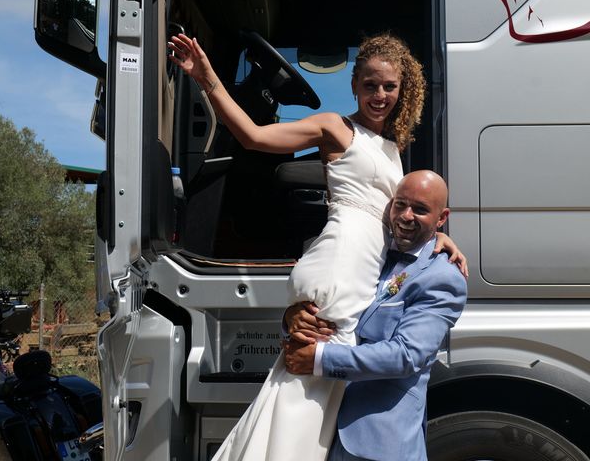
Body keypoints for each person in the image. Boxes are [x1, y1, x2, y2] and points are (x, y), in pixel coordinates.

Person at [168, 33, 466, 460]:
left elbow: (397, 211)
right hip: (341, 261)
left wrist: (437, 234)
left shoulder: (397, 146)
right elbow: (254, 136)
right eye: (369, 85)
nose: (379, 95)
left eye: (389, 87)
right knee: (306, 376)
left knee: (321, 381)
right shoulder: (334, 127)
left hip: (368, 266)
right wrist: (207, 77)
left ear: (403, 90)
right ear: (354, 85)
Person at [283, 170, 468, 461]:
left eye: (420, 209)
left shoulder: (442, 277)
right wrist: (294, 317)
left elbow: (407, 355)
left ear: (442, 217)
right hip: (317, 424)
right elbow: (331, 305)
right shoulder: (370, 251)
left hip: (376, 442)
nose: (406, 216)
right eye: (400, 204)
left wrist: (319, 359)